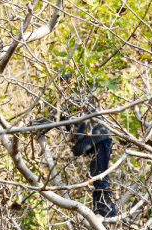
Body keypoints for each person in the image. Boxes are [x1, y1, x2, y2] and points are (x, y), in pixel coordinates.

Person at [33, 74, 118, 219]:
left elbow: (52, 119)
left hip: (98, 139)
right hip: (98, 140)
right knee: (97, 174)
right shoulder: (81, 97)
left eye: (62, 84)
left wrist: (33, 127)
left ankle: (108, 211)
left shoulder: (72, 100)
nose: (60, 88)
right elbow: (53, 117)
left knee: (99, 176)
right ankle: (99, 208)